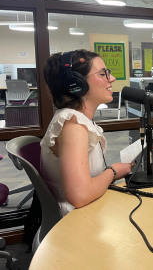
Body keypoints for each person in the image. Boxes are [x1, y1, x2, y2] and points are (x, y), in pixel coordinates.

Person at [40, 50, 132, 217]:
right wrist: (113, 171)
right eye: (103, 74)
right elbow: (79, 195)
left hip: (86, 213)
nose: (112, 79)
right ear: (76, 83)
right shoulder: (72, 125)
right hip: (73, 224)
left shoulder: (77, 120)